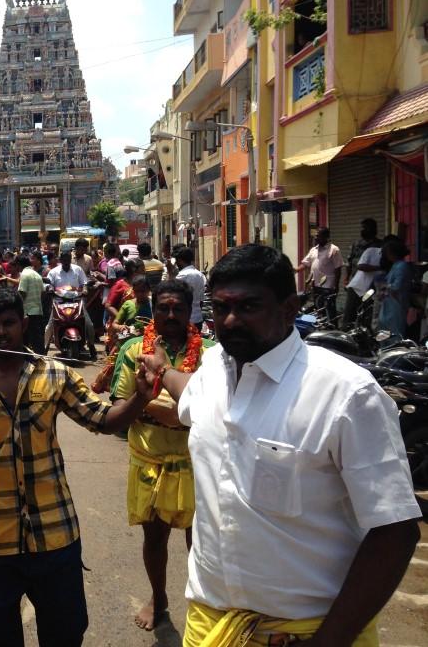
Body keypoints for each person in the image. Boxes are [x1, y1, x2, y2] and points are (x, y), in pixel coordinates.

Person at [139, 244, 421, 646]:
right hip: (210, 625)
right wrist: (162, 369)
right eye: (220, 308)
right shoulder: (213, 371)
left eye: (249, 307)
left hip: (309, 631)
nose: (231, 320)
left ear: (289, 309)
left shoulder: (346, 394)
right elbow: (188, 396)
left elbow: (395, 531)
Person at [0, 287, 165, 647]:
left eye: (9, 323)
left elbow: (102, 419)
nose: (2, 332)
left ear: (24, 323)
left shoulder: (54, 374)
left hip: (54, 534)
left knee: (65, 634)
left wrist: (140, 398)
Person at [109, 280, 214, 631]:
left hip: (198, 463)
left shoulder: (212, 352)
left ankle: (206, 601)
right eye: (164, 308)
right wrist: (170, 412)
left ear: (190, 311)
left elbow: (218, 411)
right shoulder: (134, 349)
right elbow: (121, 405)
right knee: (154, 539)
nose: (171, 315)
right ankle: (159, 596)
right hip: (149, 459)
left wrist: (172, 415)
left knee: (201, 541)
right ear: (153, 310)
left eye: (178, 309)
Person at [46, 250, 96, 359]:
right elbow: (49, 284)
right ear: (60, 260)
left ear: (70, 259)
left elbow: (84, 283)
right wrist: (49, 289)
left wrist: (85, 289)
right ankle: (45, 349)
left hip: (76, 301)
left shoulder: (78, 270)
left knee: (89, 325)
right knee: (49, 327)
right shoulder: (53, 272)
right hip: (59, 302)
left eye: (68, 259)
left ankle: (91, 346)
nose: (66, 262)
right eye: (64, 259)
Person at [297, 227, 344, 324]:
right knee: (319, 309)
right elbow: (306, 263)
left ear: (326, 237)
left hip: (328, 286)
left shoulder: (334, 249)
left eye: (318, 236)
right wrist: (295, 269)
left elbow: (338, 269)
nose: (315, 237)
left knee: (330, 310)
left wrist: (336, 285)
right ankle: (322, 328)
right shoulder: (314, 250)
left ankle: (333, 328)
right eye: (315, 235)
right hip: (316, 285)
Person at [344, 218, 382, 327]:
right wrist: (346, 278)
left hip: (372, 286)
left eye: (366, 228)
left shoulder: (380, 245)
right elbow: (349, 262)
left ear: (374, 229)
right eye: (362, 228)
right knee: (350, 313)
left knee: (367, 313)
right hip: (356, 284)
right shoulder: (356, 244)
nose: (363, 230)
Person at [378, 238, 412, 339]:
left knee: (394, 331)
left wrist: (384, 287)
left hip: (396, 303)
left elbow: (397, 286)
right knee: (384, 329)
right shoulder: (395, 265)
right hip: (388, 302)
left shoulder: (402, 266)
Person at [16, 253, 46, 355]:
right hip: (37, 311)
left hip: (27, 312)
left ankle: (39, 360)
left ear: (19, 265)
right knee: (36, 340)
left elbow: (22, 293)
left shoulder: (24, 275)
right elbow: (42, 293)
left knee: (28, 341)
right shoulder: (37, 275)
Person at [173, 247, 207, 329]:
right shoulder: (200, 275)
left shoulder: (181, 276)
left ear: (180, 260)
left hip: (184, 320)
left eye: (176, 261)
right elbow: (201, 301)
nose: (176, 264)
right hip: (198, 318)